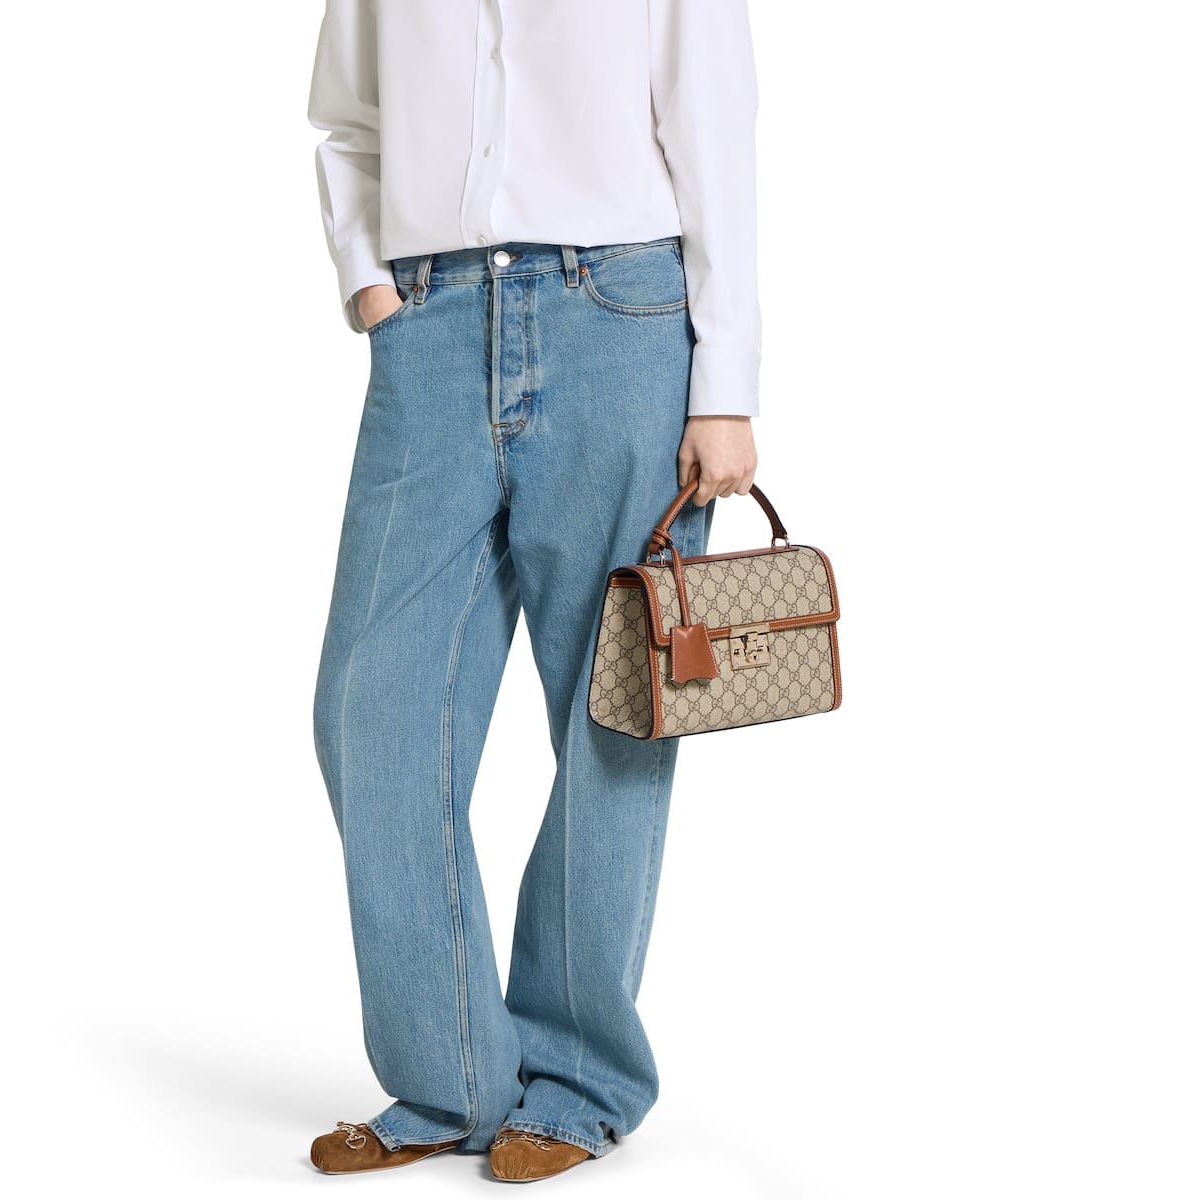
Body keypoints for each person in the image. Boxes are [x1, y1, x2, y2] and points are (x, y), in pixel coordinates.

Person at [305, 0, 762, 1184]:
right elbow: (347, 119)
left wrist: (726, 383)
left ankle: (580, 1080)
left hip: (623, 321)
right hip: (431, 321)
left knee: (617, 718)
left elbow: (715, 131)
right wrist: (369, 287)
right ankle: (450, 1078)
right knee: (369, 710)